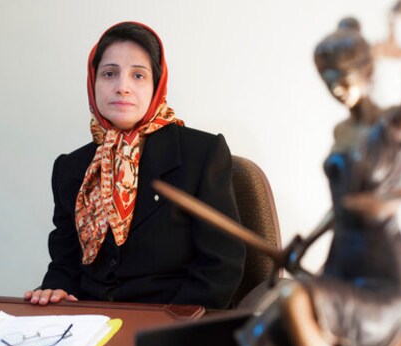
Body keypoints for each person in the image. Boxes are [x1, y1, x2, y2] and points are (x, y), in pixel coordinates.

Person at [235, 1, 401, 346]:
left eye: (343, 81)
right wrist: (305, 243)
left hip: (382, 270)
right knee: (271, 325)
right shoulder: (342, 130)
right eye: (329, 84)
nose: (337, 91)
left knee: (291, 297)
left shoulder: (389, 126)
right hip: (342, 259)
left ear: (366, 73)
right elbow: (339, 207)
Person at [24, 22, 245, 309]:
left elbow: (222, 264)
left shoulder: (201, 153)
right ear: (93, 83)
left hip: (173, 327)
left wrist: (171, 327)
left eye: (138, 75)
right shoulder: (71, 168)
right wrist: (56, 289)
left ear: (157, 85)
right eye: (109, 74)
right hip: (91, 323)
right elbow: (65, 262)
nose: (122, 87)